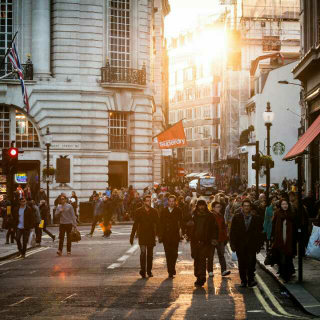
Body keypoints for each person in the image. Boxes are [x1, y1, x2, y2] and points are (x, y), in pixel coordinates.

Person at [230, 199, 262, 287]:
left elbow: (258, 233)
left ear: (250, 207)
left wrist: (259, 245)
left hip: (252, 245)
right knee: (242, 263)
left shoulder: (255, 218)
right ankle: (243, 280)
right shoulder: (237, 217)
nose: (247, 207)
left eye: (248, 206)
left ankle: (251, 280)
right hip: (240, 244)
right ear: (242, 207)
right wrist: (232, 244)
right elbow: (232, 232)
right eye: (245, 206)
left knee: (251, 262)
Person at [186, 199, 219, 287]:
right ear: (197, 206)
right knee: (196, 257)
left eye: (203, 205)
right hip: (194, 241)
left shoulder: (210, 216)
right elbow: (185, 224)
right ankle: (198, 275)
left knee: (202, 258)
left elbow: (215, 228)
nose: (201, 207)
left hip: (206, 241)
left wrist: (214, 238)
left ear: (205, 206)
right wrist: (187, 228)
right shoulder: (192, 215)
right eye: (200, 205)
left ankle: (202, 276)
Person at [130, 195, 159, 278]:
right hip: (142, 235)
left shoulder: (154, 211)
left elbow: (158, 223)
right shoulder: (138, 211)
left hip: (151, 235)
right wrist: (132, 236)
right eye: (146, 200)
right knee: (143, 253)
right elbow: (135, 224)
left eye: (149, 200)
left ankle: (149, 271)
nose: (148, 202)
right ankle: (143, 270)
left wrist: (158, 234)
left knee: (150, 254)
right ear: (143, 202)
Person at [271, 199, 297, 282]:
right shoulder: (277, 214)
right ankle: (284, 274)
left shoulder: (292, 215)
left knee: (288, 259)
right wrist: (273, 237)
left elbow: (295, 228)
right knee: (282, 259)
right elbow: (274, 226)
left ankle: (287, 276)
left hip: (290, 240)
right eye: (283, 204)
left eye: (286, 204)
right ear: (280, 205)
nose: (285, 206)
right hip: (280, 240)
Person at [159, 195, 185, 278]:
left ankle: (173, 267)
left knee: (174, 253)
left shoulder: (178, 210)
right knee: (167, 253)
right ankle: (170, 270)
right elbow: (161, 223)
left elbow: (181, 222)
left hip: (175, 234)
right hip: (166, 235)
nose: (171, 203)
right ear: (168, 202)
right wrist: (160, 234)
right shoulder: (163, 210)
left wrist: (183, 232)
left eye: (173, 201)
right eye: (169, 201)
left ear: (175, 202)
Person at [208, 201, 231, 277]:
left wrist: (225, 237)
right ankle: (210, 271)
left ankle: (223, 270)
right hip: (212, 239)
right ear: (213, 208)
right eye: (217, 207)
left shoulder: (221, 216)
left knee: (221, 255)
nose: (219, 209)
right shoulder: (210, 216)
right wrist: (210, 238)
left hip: (220, 239)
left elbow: (223, 228)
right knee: (210, 256)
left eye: (219, 207)